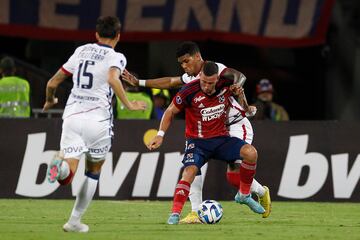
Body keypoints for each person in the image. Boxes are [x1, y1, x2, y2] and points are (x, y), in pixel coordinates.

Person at [122, 41, 271, 222]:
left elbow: (240, 77)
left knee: (234, 173)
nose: (184, 67)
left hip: (234, 124)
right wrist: (140, 82)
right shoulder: (192, 80)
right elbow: (170, 82)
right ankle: (195, 212)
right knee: (196, 167)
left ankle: (258, 192)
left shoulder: (218, 70)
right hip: (206, 129)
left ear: (197, 57)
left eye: (186, 61)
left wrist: (235, 88)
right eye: (181, 63)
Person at [42, 16, 146, 233]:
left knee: (68, 174)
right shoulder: (116, 56)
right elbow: (112, 78)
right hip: (98, 121)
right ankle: (73, 221)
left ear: (96, 34)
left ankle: (59, 168)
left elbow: (52, 82)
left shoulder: (81, 51)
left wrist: (50, 100)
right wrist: (128, 104)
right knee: (93, 172)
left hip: (72, 117)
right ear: (118, 36)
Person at [147, 61, 265, 224]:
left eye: (211, 83)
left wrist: (240, 93)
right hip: (198, 143)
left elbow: (245, 107)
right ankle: (175, 214)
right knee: (189, 172)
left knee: (250, 153)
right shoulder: (189, 91)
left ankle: (244, 195)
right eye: (204, 82)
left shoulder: (227, 84)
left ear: (217, 79)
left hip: (221, 139)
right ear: (200, 76)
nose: (207, 86)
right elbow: (170, 111)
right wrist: (160, 135)